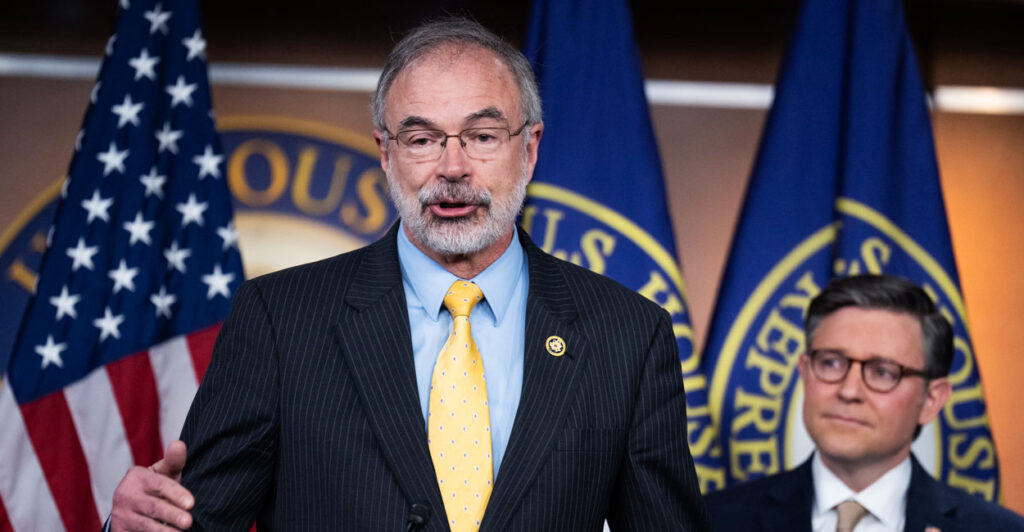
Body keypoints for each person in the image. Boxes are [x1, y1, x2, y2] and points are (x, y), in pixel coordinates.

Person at [109, 17, 710, 532]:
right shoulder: (279, 318)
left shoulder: (628, 335)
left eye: (481, 136)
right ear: (385, 152)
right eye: (422, 138)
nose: (452, 168)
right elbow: (193, 520)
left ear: (528, 149)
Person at [705, 274, 1024, 532]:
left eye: (883, 372)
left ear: (931, 400)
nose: (849, 390)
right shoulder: (710, 521)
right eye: (831, 363)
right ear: (804, 371)